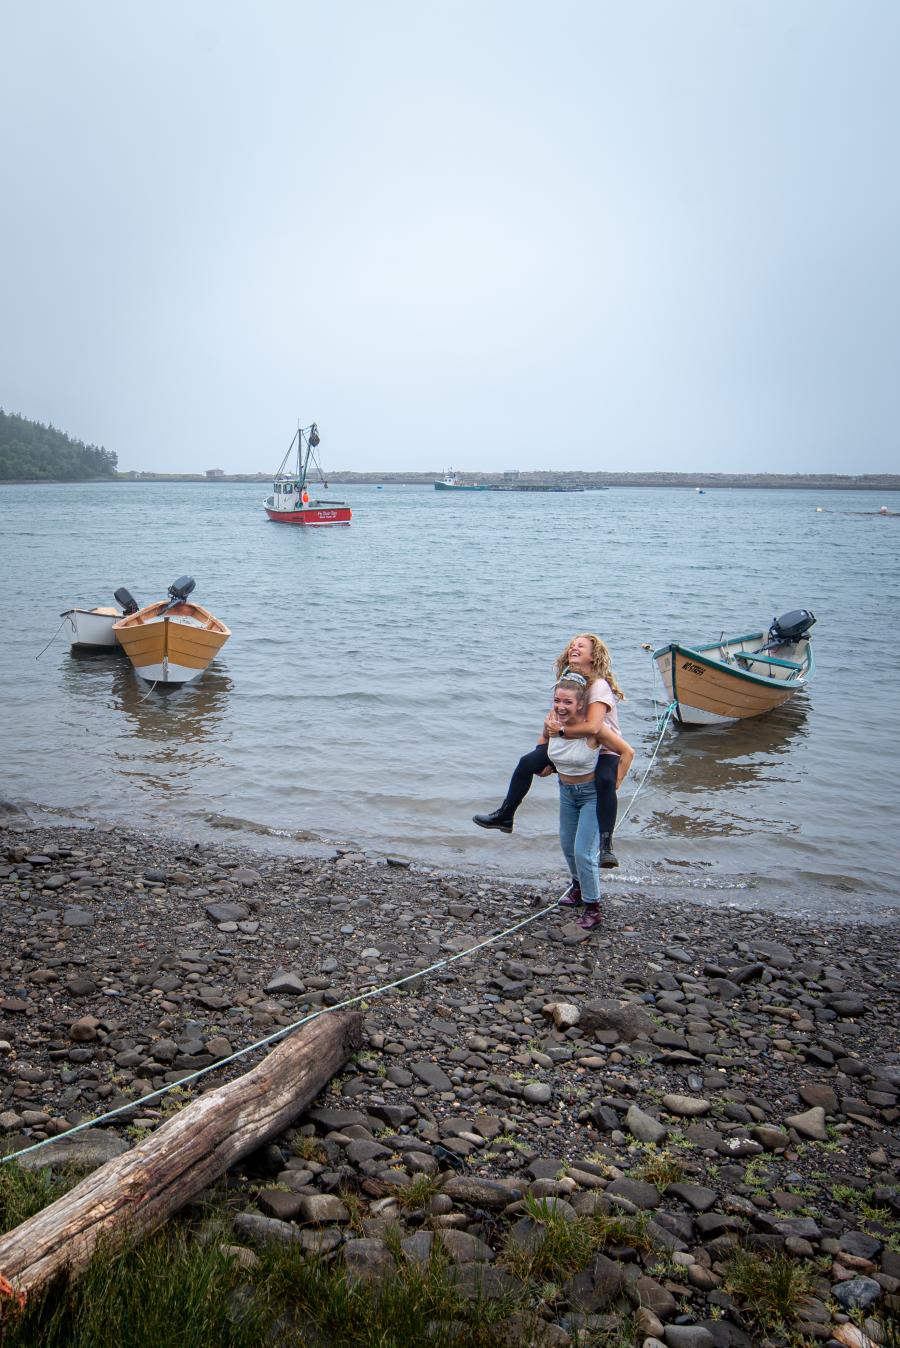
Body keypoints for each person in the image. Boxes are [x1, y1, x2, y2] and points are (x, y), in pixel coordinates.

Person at [473, 633, 634, 866]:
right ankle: (506, 815)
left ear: (593, 656)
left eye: (581, 646)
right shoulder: (569, 679)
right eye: (571, 645)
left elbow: (593, 727)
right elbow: (551, 721)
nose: (573, 648)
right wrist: (544, 754)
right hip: (570, 742)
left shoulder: (598, 685)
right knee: (527, 763)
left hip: (603, 747)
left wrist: (558, 734)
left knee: (605, 781)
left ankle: (606, 846)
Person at [544, 673, 604, 930]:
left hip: (592, 795)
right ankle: (578, 888)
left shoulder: (593, 730)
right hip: (566, 792)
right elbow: (543, 749)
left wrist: (616, 782)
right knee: (568, 847)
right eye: (557, 701)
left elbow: (627, 752)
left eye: (567, 702)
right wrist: (545, 766)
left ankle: (593, 908)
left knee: (584, 852)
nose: (560, 706)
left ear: (580, 704)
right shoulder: (551, 725)